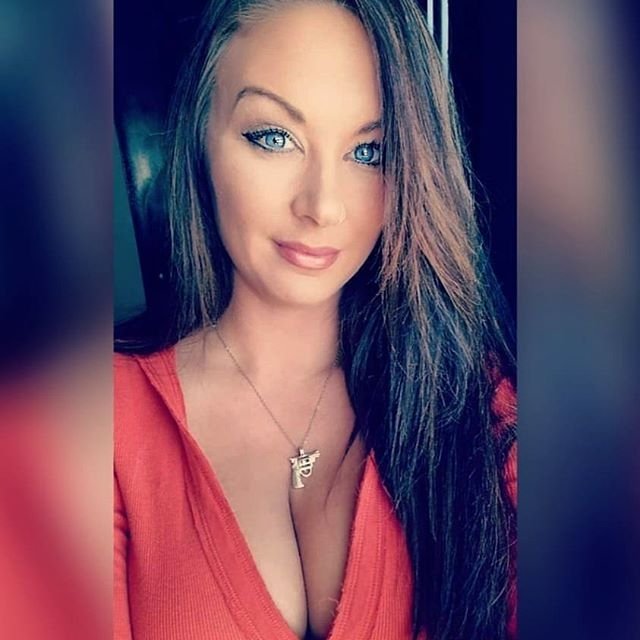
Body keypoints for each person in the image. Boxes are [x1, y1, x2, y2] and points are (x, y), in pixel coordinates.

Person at [114, 0, 517, 639]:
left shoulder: (476, 404)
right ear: (200, 136)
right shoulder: (100, 418)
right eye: (274, 137)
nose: (323, 206)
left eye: (369, 151)